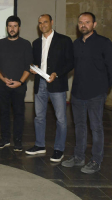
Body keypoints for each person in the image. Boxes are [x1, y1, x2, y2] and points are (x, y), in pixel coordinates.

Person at [62, 12, 112, 174]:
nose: (83, 25)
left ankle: (95, 160)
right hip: (78, 92)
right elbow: (69, 65)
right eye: (80, 22)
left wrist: (104, 88)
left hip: (96, 93)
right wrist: (54, 73)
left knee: (96, 127)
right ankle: (79, 157)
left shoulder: (104, 43)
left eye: (87, 22)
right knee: (79, 126)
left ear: (94, 24)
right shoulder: (76, 44)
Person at [26, 14, 74, 162]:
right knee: (39, 117)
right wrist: (33, 68)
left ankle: (59, 149)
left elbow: (71, 62)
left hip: (57, 83)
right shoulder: (36, 43)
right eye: (40, 23)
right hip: (40, 83)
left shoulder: (64, 40)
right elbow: (34, 62)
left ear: (52, 22)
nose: (42, 25)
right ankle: (40, 145)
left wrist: (57, 73)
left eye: (45, 22)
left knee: (60, 119)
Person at [0, 16, 32, 151]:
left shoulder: (26, 44)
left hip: (19, 86)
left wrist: (20, 82)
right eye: (10, 26)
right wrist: (4, 79)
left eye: (15, 26)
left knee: (19, 114)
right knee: (3, 113)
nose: (12, 29)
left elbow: (28, 66)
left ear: (19, 28)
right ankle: (5, 139)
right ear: (6, 28)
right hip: (2, 85)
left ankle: (18, 141)